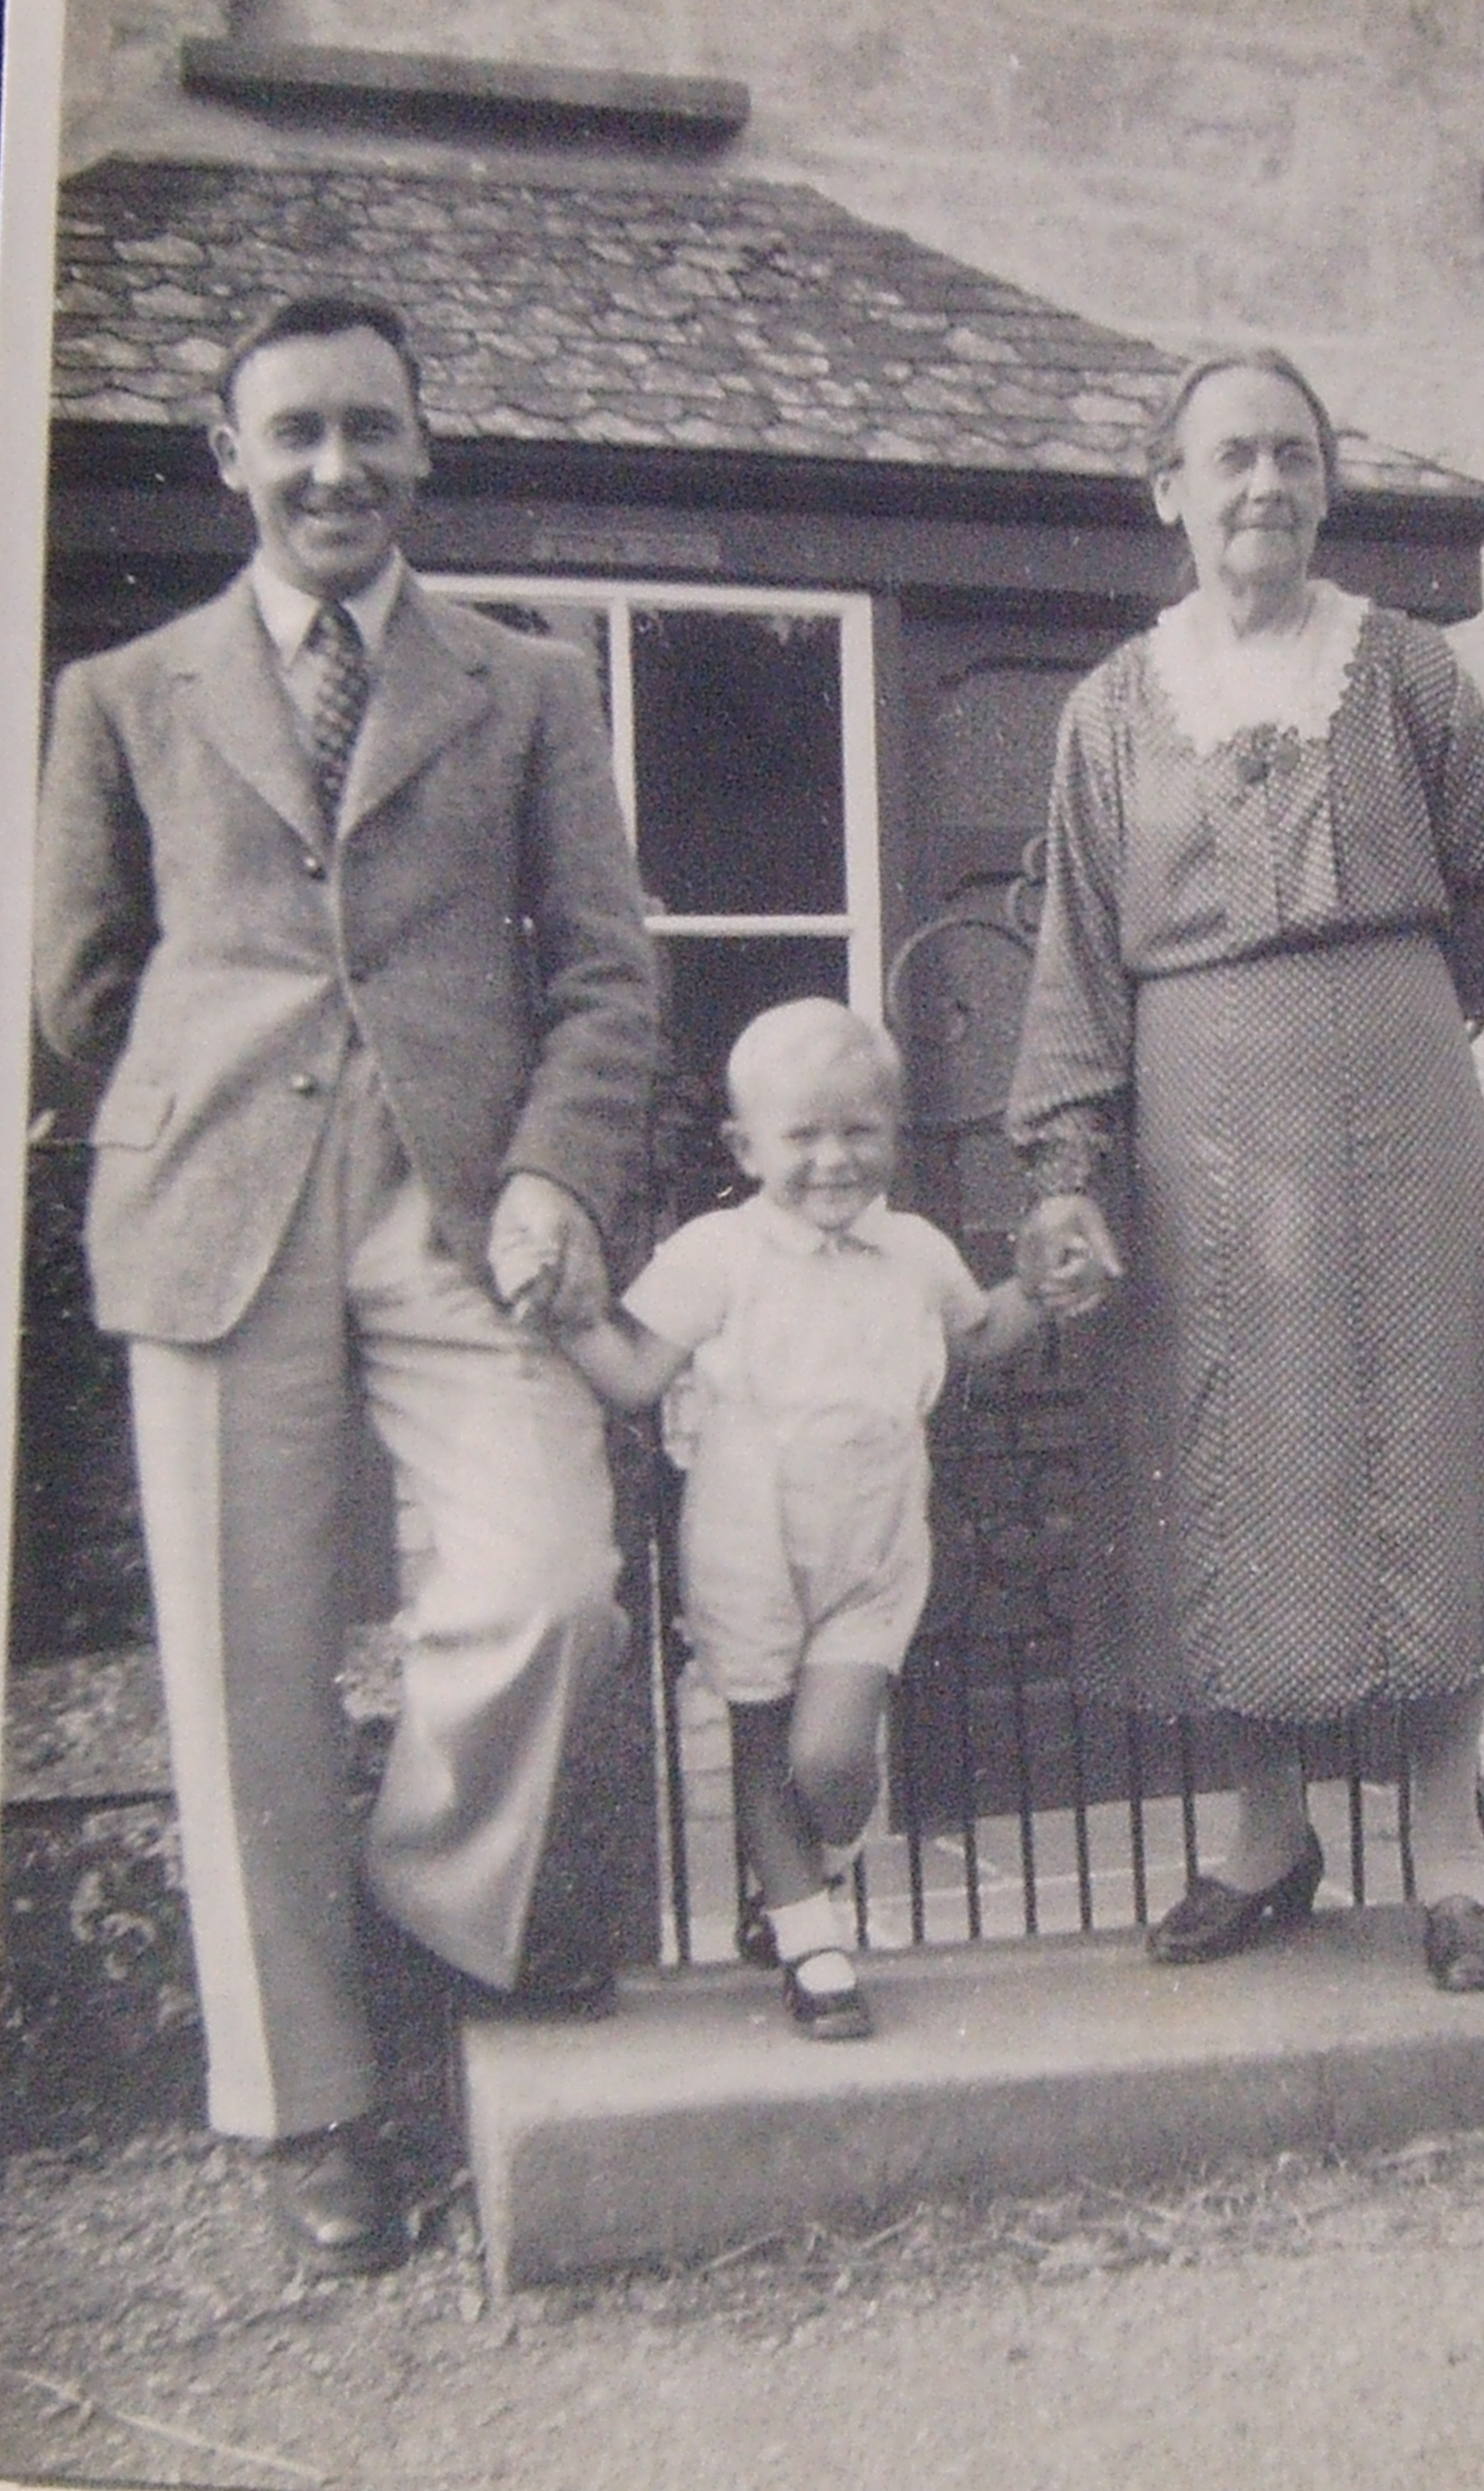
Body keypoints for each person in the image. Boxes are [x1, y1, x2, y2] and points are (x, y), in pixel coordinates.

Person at [33, 296, 658, 2270]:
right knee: (244, 1676)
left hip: (466, 1212)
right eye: (292, 433)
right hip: (218, 1212)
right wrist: (207, 1098)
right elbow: (71, 987)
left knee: (546, 1587)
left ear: (420, 450)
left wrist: (553, 1163)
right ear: (230, 457)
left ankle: (416, 1933)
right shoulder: (122, 695)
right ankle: (305, 2108)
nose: (334, 470)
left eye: (370, 432)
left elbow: (608, 975)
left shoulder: (527, 682)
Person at [1006, 345, 1484, 1993]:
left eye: (1294, 457)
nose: (1266, 487)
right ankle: (1266, 1833)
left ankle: (1447, 1838)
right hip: (1197, 1139)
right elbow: (1073, 964)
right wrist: (1068, 1165)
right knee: (1231, 1462)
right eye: (1231, 457)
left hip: (1398, 1118)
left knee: (1423, 1456)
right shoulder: (1108, 711)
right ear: (1165, 488)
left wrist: (1384, 1019)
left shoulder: (1403, 674)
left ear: (1324, 484)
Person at [539, 998, 1054, 2038]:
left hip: (872, 1547)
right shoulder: (716, 1252)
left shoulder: (914, 1251)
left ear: (895, 1136)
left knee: (829, 1762)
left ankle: (811, 1870)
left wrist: (1041, 1286)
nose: (833, 1160)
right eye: (803, 1136)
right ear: (744, 1145)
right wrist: (574, 1315)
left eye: (860, 1132)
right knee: (761, 1734)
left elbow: (985, 1335)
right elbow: (636, 1376)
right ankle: (810, 1943)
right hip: (747, 1540)